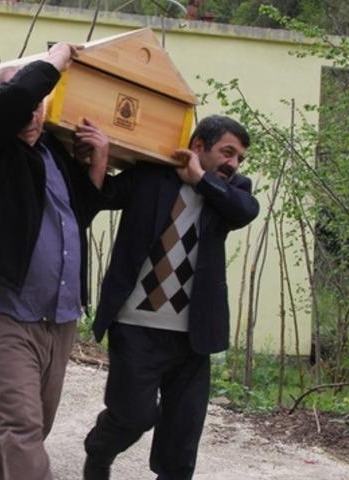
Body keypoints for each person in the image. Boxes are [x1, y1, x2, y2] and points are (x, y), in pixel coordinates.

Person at [0, 42, 110, 480]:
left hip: (59, 319)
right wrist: (55, 59)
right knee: (23, 427)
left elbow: (79, 214)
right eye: (24, 99)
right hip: (7, 314)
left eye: (39, 105)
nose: (33, 111)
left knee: (29, 427)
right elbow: (13, 100)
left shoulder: (52, 152)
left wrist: (99, 162)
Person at [82, 115, 260, 480]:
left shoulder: (229, 192)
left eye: (239, 157)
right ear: (198, 147)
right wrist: (99, 157)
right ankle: (99, 451)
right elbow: (105, 196)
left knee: (181, 441)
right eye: (227, 152)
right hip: (135, 326)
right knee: (133, 417)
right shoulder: (152, 176)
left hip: (193, 338)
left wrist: (201, 180)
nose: (234, 163)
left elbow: (246, 211)